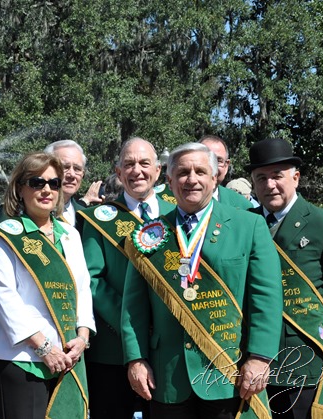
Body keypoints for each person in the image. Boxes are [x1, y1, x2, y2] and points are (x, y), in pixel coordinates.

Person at [121, 142, 283, 418]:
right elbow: (133, 307)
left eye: (200, 171)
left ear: (215, 177)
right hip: (167, 375)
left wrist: (259, 358)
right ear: (169, 181)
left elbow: (266, 298)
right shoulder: (149, 234)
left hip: (229, 373)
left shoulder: (249, 226)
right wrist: (136, 359)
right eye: (183, 173)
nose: (191, 179)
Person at [246, 137, 323, 418]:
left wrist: (316, 325)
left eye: (277, 176)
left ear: (296, 178)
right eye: (261, 178)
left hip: (302, 356)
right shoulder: (243, 222)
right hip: (247, 357)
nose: (269, 185)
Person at [0, 152, 95, 419]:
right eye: (37, 182)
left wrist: (82, 338)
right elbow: (3, 297)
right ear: (20, 188)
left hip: (68, 356)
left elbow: (82, 289)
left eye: (54, 183)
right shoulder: (6, 236)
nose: (47, 190)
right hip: (22, 357)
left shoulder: (70, 235)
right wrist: (44, 347)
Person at [77, 137, 173, 418]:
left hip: (169, 346)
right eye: (129, 164)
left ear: (158, 170)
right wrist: (133, 322)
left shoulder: (177, 211)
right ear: (118, 172)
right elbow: (92, 279)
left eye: (144, 163)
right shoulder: (97, 219)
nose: (137, 171)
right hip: (113, 348)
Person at [43, 140, 102, 227]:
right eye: (65, 167)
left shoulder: (86, 215)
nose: (72, 175)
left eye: (77, 169)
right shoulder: (34, 213)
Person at [199, 135, 252, 210]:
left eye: (218, 161)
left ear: (226, 166)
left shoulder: (243, 206)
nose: (211, 166)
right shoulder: (180, 200)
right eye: (205, 159)